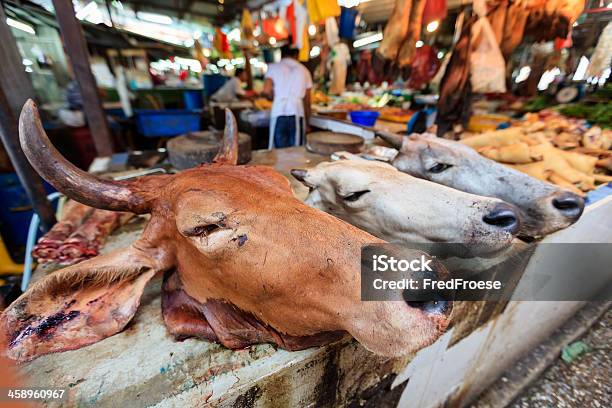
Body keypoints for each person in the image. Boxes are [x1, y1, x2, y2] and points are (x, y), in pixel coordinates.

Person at [263, 45, 313, 148]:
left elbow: (266, 91)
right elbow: (307, 101)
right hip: (297, 112)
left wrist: (273, 96)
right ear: (296, 55)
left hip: (278, 112)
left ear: (281, 54)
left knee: (277, 152)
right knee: (296, 151)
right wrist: (307, 123)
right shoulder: (304, 70)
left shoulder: (273, 67)